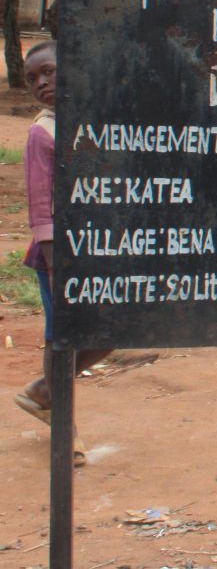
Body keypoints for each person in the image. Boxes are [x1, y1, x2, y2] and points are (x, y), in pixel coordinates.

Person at [14, 41, 106, 465]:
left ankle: (45, 391)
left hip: (101, 248)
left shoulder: (97, 119)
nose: (41, 83)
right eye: (33, 78)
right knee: (61, 336)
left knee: (112, 330)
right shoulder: (42, 132)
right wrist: (57, 265)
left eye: (48, 71)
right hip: (58, 254)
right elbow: (40, 206)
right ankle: (64, 426)